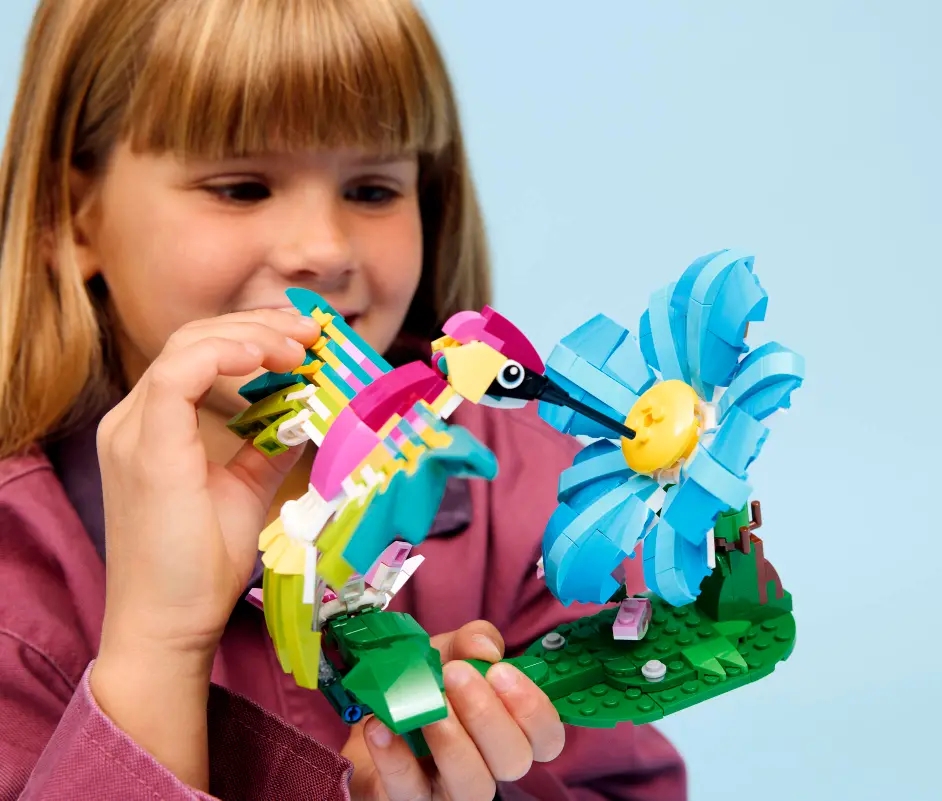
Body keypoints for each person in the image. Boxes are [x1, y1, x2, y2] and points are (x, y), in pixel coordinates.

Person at [0, 0, 688, 799]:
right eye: (241, 187)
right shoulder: (18, 579)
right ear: (71, 217)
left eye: (371, 188)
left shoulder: (535, 499)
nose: (324, 250)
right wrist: (155, 648)